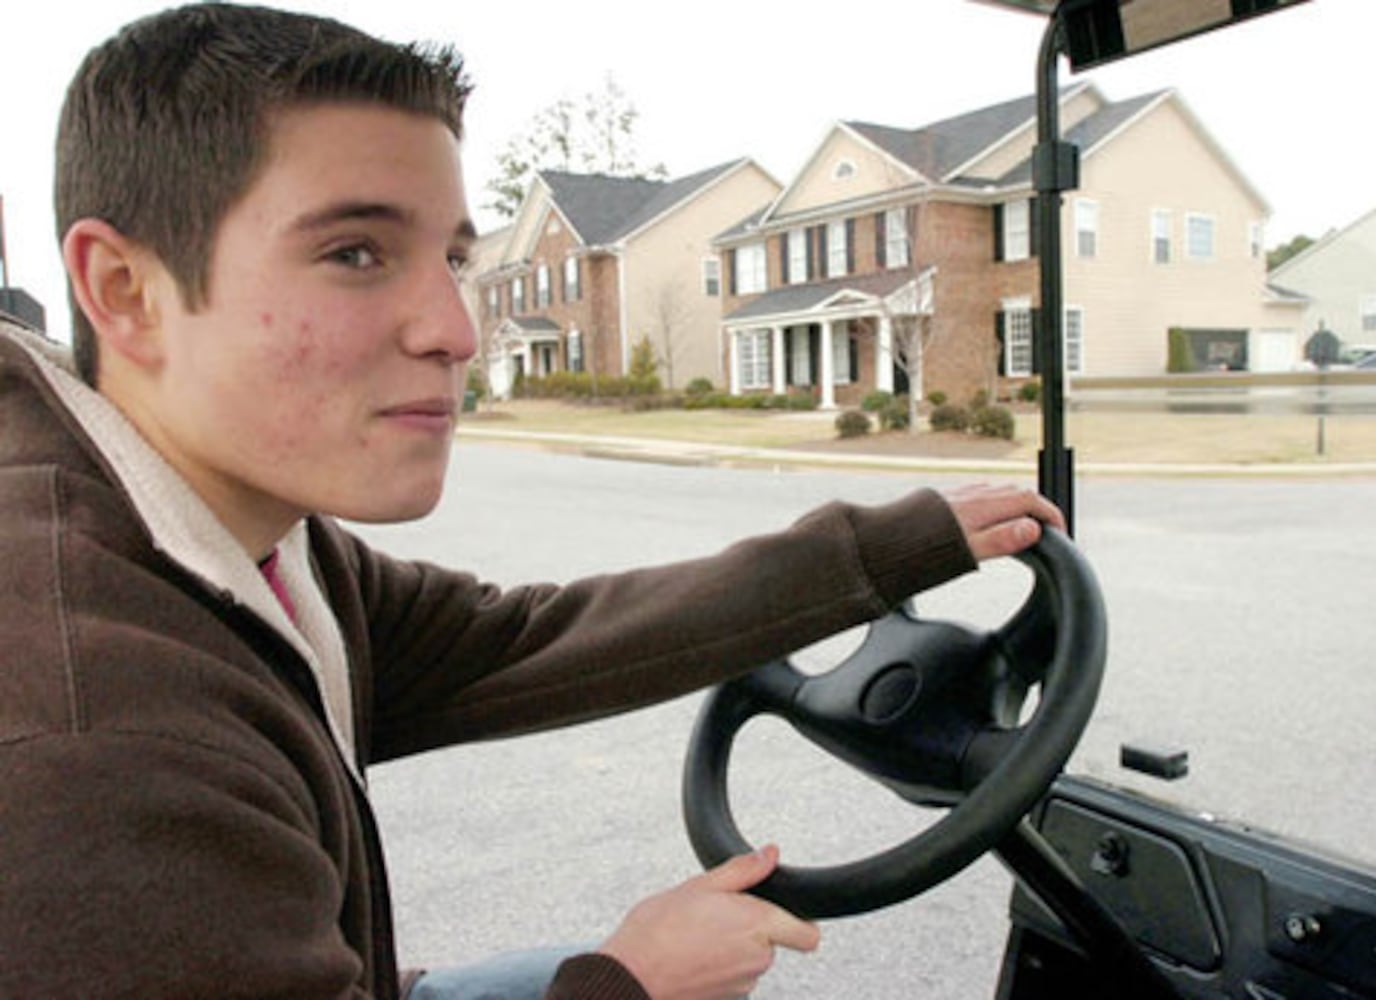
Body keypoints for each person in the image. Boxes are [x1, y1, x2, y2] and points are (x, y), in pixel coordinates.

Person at [0, 4, 1065, 999]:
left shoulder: (238, 540)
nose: (455, 331)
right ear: (126, 291)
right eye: (356, 252)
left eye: (453, 257)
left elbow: (522, 640)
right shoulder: (98, 745)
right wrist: (623, 983)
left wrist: (881, 554)